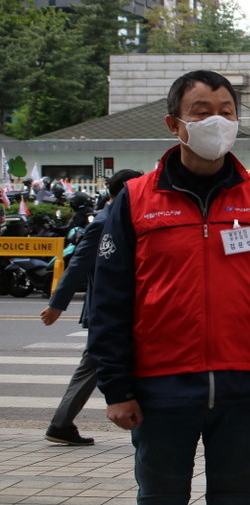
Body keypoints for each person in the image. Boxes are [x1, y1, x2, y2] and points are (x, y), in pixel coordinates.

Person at [87, 70, 250, 505]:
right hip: (160, 388)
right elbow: (109, 302)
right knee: (160, 496)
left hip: (244, 387)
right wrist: (116, 389)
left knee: (237, 496)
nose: (216, 121)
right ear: (175, 124)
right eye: (202, 112)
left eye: (226, 112)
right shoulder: (137, 199)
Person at [40, 169, 143, 446]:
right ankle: (60, 424)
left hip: (119, 310)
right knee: (96, 363)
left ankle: (61, 424)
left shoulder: (122, 217)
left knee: (94, 366)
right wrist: (57, 305)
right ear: (125, 191)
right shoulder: (105, 221)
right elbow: (78, 263)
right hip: (107, 312)